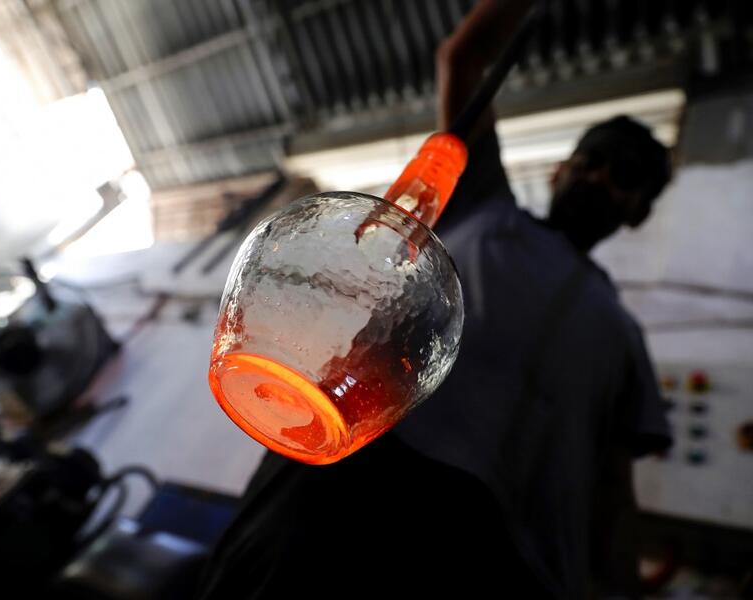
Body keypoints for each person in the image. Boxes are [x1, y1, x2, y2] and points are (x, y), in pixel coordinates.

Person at [198, 1, 671, 598]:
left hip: (497, 549)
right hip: (350, 474)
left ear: (639, 212)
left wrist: (622, 585)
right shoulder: (485, 206)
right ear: (558, 171)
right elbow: (464, 57)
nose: (601, 179)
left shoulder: (625, 337)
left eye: (625, 177)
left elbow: (612, 485)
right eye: (592, 161)